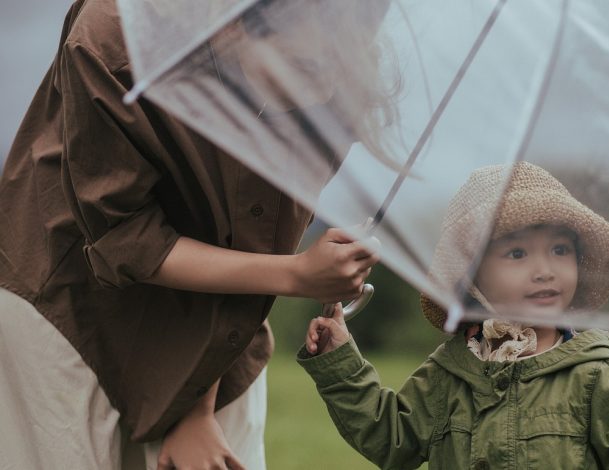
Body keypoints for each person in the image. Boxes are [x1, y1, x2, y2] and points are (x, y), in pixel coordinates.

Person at [0, 0, 392, 469]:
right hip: (73, 302)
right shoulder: (113, 37)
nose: (325, 87)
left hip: (224, 314)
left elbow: (256, 236)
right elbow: (122, 237)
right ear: (231, 27)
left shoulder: (337, 82)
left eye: (345, 59)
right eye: (305, 66)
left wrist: (198, 405)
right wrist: (296, 276)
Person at [298, 162, 609, 469]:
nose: (545, 269)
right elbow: (390, 436)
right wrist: (341, 362)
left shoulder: (595, 372)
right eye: (517, 253)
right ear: (472, 276)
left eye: (560, 250)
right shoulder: (451, 371)